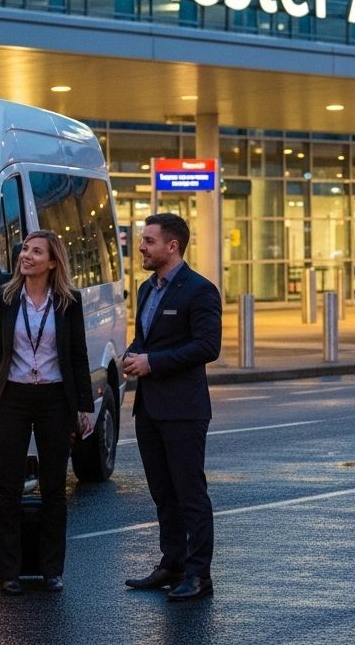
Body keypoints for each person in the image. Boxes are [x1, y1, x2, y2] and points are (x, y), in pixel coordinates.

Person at [0, 230, 95, 595]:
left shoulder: (68, 301)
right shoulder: (7, 297)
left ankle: (51, 570)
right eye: (24, 249)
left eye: (36, 251)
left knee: (54, 488)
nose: (25, 255)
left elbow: (78, 355)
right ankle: (8, 572)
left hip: (55, 399)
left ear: (53, 261)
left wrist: (85, 406)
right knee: (9, 487)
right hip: (12, 396)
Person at [121, 213, 222, 602]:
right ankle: (172, 563)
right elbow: (145, 337)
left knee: (189, 494)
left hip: (183, 409)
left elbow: (207, 346)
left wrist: (153, 363)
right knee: (163, 493)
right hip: (149, 408)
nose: (141, 247)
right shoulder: (148, 289)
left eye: (148, 241)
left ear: (172, 246)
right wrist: (134, 354)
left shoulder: (199, 290)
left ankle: (199, 575)